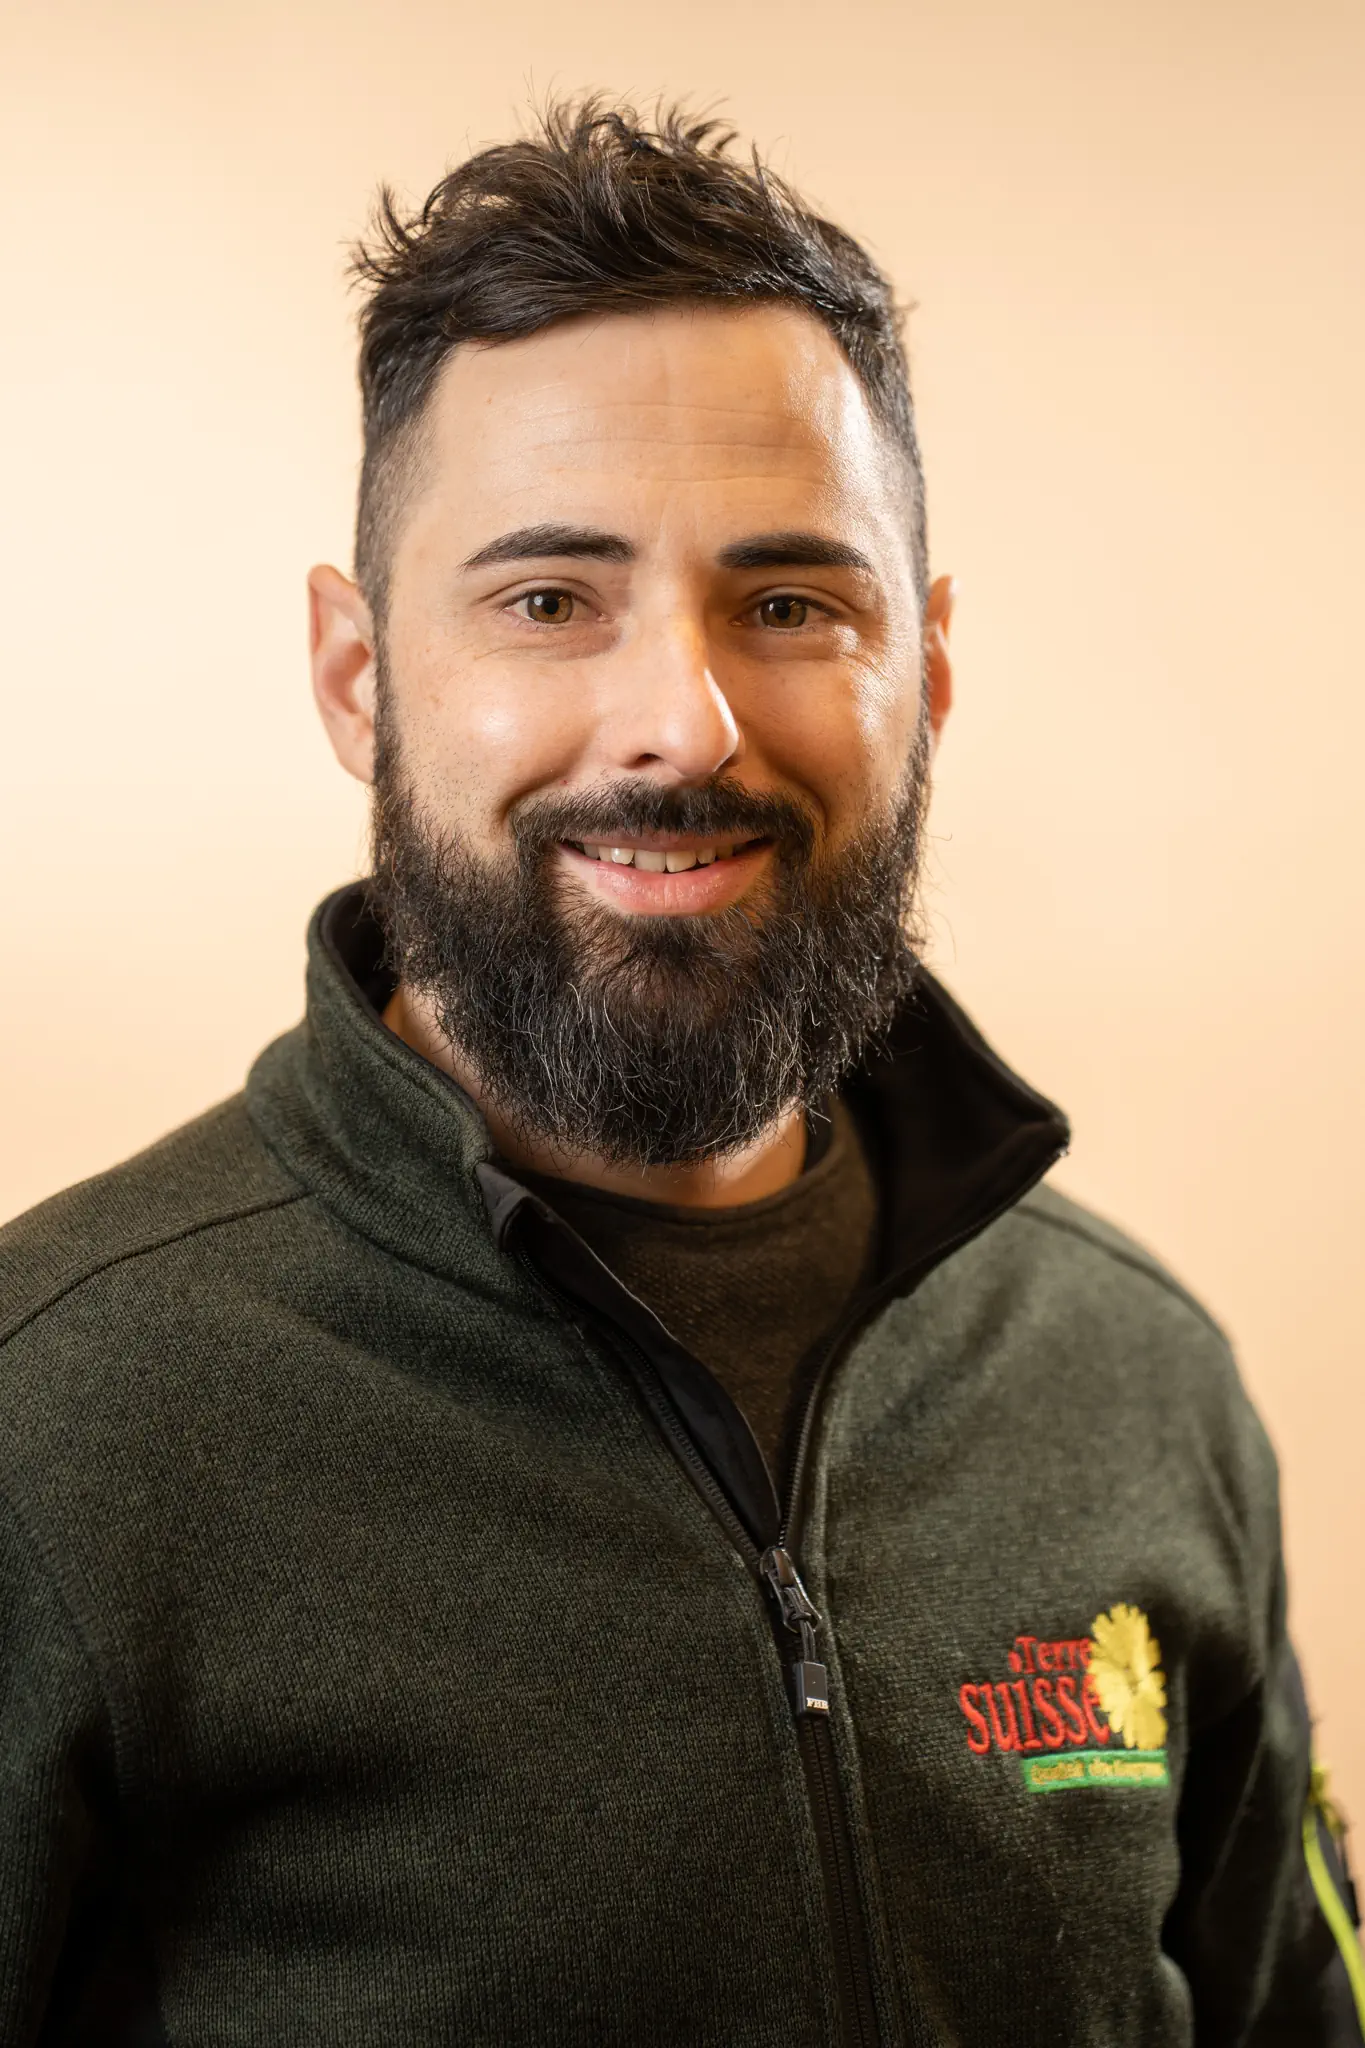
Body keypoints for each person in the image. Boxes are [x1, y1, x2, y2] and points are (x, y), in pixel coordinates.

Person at [0, 97, 1360, 2048]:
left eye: (789, 603)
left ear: (927, 673)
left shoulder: (1136, 1379)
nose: (684, 722)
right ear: (358, 678)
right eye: (549, 601)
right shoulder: (52, 1421)